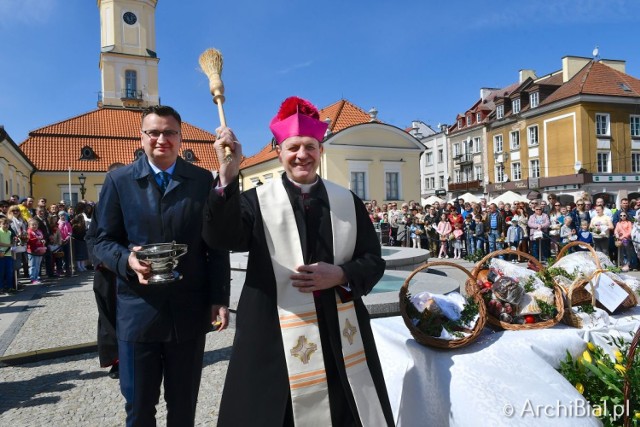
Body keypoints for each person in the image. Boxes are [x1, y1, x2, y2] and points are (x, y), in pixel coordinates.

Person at [203, 96, 394, 426]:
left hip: (336, 333)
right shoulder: (254, 201)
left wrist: (341, 274)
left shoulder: (346, 201)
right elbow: (220, 238)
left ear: (320, 150)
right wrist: (227, 176)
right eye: (293, 147)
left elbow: (373, 261)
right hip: (273, 332)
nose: (302, 155)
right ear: (279, 151)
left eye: (310, 146)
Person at [91, 105, 230, 426]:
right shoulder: (119, 180)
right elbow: (100, 241)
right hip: (137, 314)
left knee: (183, 409)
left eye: (169, 132)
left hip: (189, 313)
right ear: (141, 137)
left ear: (181, 138)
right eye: (153, 132)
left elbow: (215, 245)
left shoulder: (200, 180)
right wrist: (127, 260)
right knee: (139, 409)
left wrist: (219, 297)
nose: (161, 139)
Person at [0, 218, 15, 294]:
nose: (6, 225)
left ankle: (10, 287)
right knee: (1, 272)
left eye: (7, 224)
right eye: (4, 224)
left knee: (9, 272)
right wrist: (9, 245)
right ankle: (1, 288)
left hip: (8, 254)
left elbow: (11, 242)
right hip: (1, 254)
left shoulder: (9, 232)